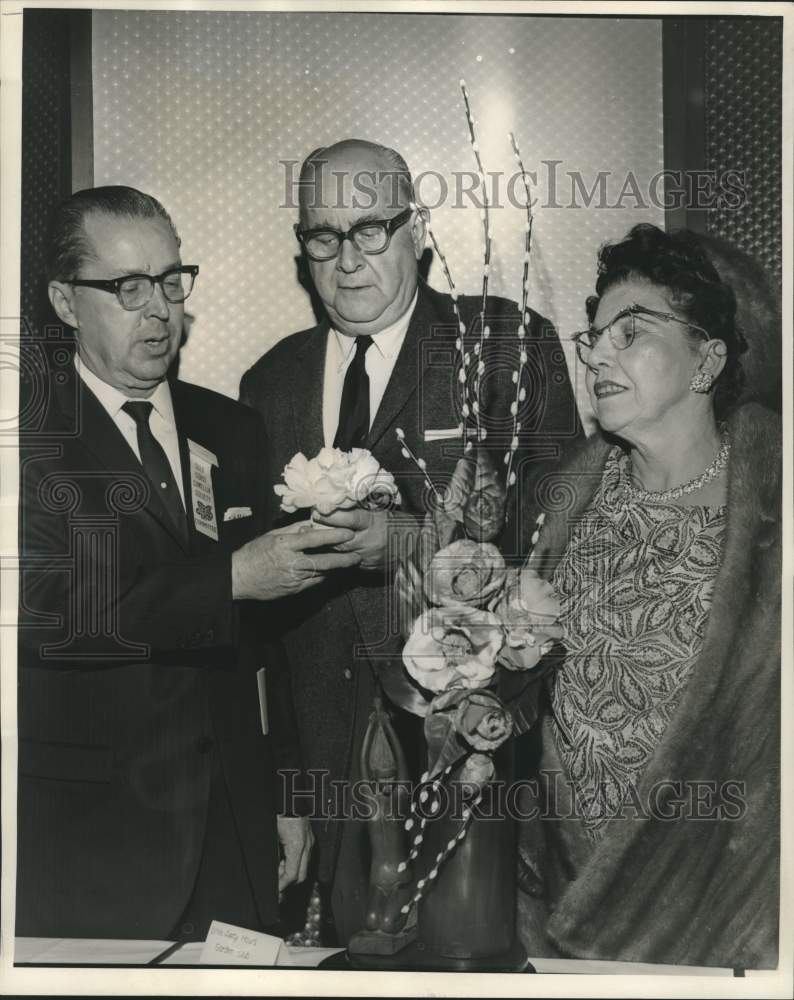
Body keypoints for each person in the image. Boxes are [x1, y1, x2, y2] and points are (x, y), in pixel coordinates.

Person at [239, 138, 582, 943]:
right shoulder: (270, 382)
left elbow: (559, 552)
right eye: (322, 236)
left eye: (371, 229)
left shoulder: (506, 348)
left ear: (418, 229)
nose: (346, 260)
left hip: (474, 763)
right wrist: (291, 789)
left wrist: (411, 545)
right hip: (327, 781)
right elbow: (262, 633)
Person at [16, 185, 361, 941]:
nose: (160, 310)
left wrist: (288, 793)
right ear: (65, 303)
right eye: (127, 287)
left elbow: (272, 639)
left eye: (172, 282)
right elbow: (42, 608)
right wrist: (231, 579)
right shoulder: (25, 437)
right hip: (90, 839)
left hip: (235, 832)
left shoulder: (230, 426)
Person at [516, 223, 780, 969]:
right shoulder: (563, 502)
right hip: (563, 916)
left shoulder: (774, 514)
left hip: (724, 917)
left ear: (707, 360)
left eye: (632, 333)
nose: (598, 354)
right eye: (594, 335)